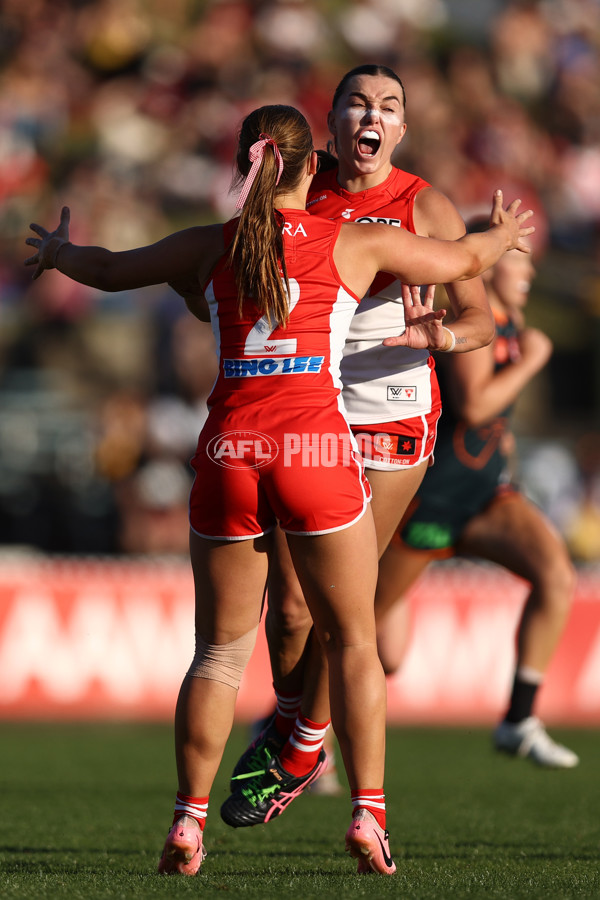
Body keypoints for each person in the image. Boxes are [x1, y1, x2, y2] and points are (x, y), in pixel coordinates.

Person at [25, 104, 533, 878]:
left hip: (230, 448)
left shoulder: (211, 246)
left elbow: (109, 269)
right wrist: (500, 237)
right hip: (316, 445)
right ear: (311, 169)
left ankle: (189, 823)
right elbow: (460, 264)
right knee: (353, 640)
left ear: (243, 166)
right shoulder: (352, 241)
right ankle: (368, 815)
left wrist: (59, 251)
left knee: (220, 655)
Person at [223, 63, 497, 814]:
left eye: (388, 106)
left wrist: (437, 333)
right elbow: (231, 275)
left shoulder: (424, 203)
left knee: (347, 603)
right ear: (333, 123)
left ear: (400, 130)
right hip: (304, 405)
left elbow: (482, 320)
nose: (371, 116)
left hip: (394, 408)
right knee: (287, 615)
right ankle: (290, 723)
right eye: (356, 102)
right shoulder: (295, 193)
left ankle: (304, 747)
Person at [375, 221, 578, 768]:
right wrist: (534, 360)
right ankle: (294, 729)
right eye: (518, 259)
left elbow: (494, 420)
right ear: (487, 268)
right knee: (373, 644)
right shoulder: (477, 323)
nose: (530, 272)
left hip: (485, 493)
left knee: (556, 575)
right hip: (432, 497)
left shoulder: (515, 321)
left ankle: (519, 719)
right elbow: (477, 404)